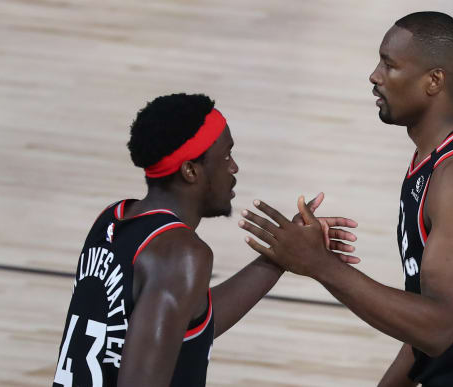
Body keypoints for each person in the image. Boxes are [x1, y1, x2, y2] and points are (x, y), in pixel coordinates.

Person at [239, 12, 453, 387]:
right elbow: (421, 330)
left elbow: (438, 326)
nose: (374, 76)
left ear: (433, 81)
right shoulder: (438, 158)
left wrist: (319, 264)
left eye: (389, 66)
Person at [52, 93, 358, 387]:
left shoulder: (113, 219)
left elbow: (187, 326)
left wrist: (282, 255)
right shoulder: (182, 254)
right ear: (190, 171)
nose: (234, 167)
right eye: (225, 156)